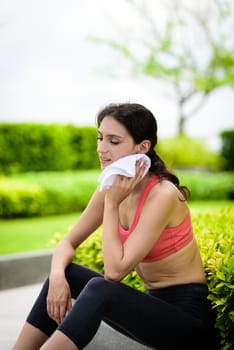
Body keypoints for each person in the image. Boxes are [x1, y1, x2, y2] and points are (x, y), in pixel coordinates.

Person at [12, 103, 218, 350]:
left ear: (142, 147)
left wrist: (111, 205)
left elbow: (115, 272)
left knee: (101, 288)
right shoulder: (112, 186)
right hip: (152, 307)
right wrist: (56, 278)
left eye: (113, 141)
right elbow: (67, 243)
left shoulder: (163, 195)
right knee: (67, 273)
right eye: (100, 138)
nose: (101, 148)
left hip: (188, 322)